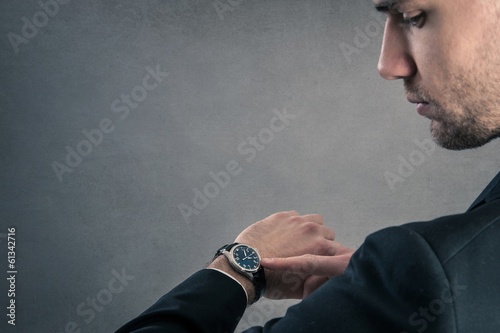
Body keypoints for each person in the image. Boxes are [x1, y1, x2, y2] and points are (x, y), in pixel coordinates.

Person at [116, 0, 500, 331]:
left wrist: (237, 269)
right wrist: (383, 288)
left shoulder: (427, 269)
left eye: (414, 15)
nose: (388, 64)